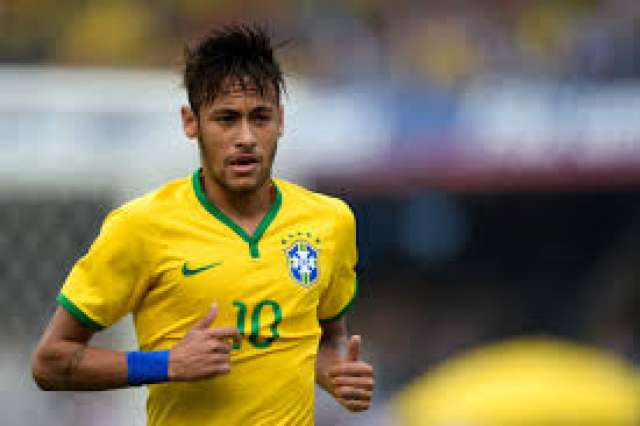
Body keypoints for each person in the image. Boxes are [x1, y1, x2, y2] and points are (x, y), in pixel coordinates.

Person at [31, 24, 374, 425]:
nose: (246, 137)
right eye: (226, 119)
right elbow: (50, 362)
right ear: (191, 122)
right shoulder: (141, 226)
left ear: (280, 120)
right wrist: (166, 364)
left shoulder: (330, 221)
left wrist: (336, 373)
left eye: (260, 118)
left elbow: (327, 337)